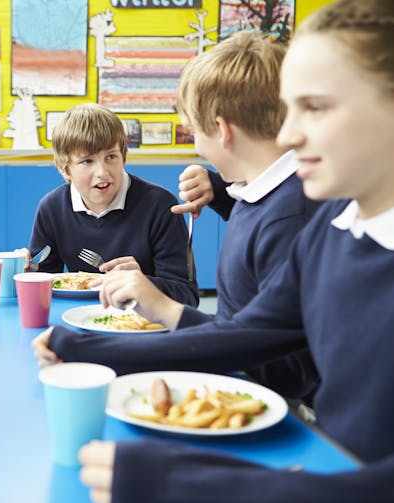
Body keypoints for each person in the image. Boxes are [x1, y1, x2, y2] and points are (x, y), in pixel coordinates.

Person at [77, 1, 394, 500]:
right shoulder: (333, 230)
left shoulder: (307, 218)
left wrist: (195, 482)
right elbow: (252, 332)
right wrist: (88, 349)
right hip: (320, 463)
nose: (287, 134)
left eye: (315, 106)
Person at [33, 31, 322, 402]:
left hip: (272, 404)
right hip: (239, 380)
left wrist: (107, 339)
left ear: (221, 130)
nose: (196, 147)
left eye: (192, 132)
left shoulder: (289, 216)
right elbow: (242, 329)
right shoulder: (260, 200)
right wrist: (219, 190)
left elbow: (264, 353)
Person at [27, 103, 198, 306]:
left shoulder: (160, 205)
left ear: (123, 157)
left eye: (111, 157)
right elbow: (45, 286)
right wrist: (28, 272)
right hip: (79, 318)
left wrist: (142, 283)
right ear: (65, 169)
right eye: (87, 161)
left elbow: (187, 297)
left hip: (144, 323)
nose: (102, 172)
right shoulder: (52, 208)